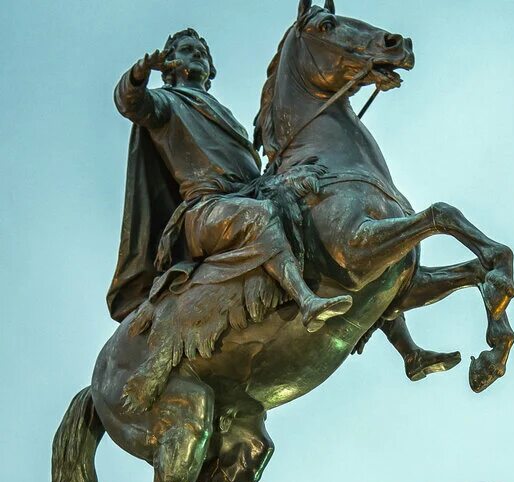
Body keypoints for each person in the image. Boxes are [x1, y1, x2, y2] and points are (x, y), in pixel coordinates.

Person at [108, 28, 353, 409]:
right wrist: (140, 72)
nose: (197, 59)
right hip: (203, 211)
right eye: (187, 52)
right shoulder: (167, 103)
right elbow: (131, 103)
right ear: (171, 66)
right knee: (259, 218)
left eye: (202, 54)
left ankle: (404, 341)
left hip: (245, 195)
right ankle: (305, 300)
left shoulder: (223, 114)